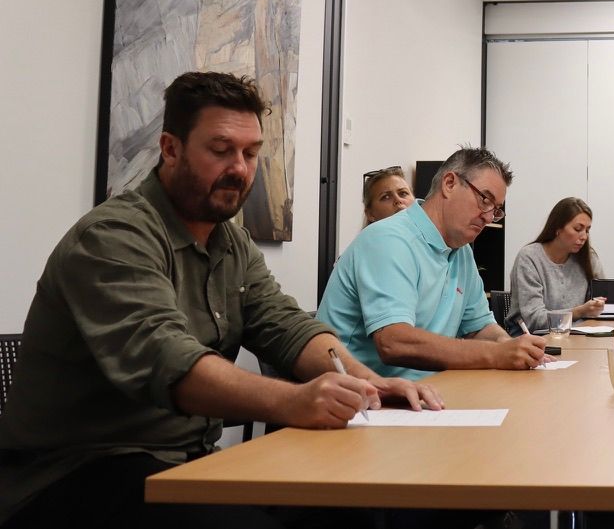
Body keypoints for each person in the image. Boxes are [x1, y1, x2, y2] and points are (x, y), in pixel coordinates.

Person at [0, 72, 440, 528]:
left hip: (187, 461)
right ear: (170, 148)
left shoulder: (232, 242)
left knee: (351, 512)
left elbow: (285, 326)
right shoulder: (113, 236)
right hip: (76, 472)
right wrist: (295, 401)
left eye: (251, 153)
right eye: (220, 150)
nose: (241, 168)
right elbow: (168, 360)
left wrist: (369, 383)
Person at [318, 148, 552, 379]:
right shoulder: (389, 240)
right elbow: (394, 342)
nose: (489, 216)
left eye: (496, 210)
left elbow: (478, 327)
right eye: (485, 199)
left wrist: (512, 346)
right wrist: (496, 353)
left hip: (425, 389)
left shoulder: (461, 252)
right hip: (360, 397)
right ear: (449, 183)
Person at [507, 197, 608, 333]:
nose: (584, 236)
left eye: (587, 230)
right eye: (578, 229)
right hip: (533, 337)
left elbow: (605, 301)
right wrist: (579, 312)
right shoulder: (529, 258)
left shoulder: (588, 257)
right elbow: (534, 320)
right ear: (558, 228)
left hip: (575, 334)